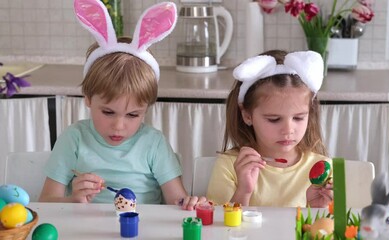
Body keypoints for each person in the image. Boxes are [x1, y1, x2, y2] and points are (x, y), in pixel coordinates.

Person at [39, 0, 204, 210]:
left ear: (147, 108)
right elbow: (45, 203)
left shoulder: (154, 144)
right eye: (108, 112)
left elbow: (178, 202)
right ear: (88, 98)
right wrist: (73, 201)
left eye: (133, 115)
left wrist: (190, 202)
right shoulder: (74, 139)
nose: (118, 125)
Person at [207, 50, 333, 208]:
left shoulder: (322, 168)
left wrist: (317, 209)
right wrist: (244, 191)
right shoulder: (229, 165)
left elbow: (329, 229)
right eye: (274, 119)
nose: (288, 130)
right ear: (247, 115)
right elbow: (218, 228)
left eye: (298, 118)